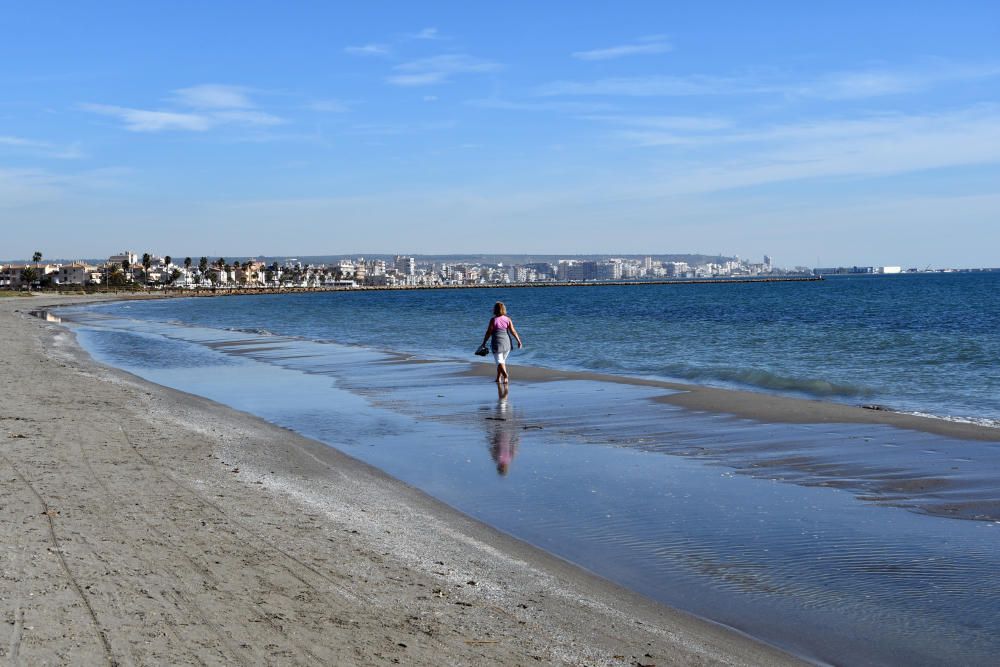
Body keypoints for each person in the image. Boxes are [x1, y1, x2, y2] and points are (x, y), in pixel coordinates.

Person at [480, 301, 522, 384]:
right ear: (504, 309)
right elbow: (513, 331)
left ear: (495, 310)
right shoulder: (508, 319)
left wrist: (484, 343)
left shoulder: (493, 320)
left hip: (497, 343)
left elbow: (488, 332)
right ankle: (498, 378)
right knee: (502, 362)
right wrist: (519, 341)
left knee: (500, 362)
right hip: (507, 344)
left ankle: (505, 375)